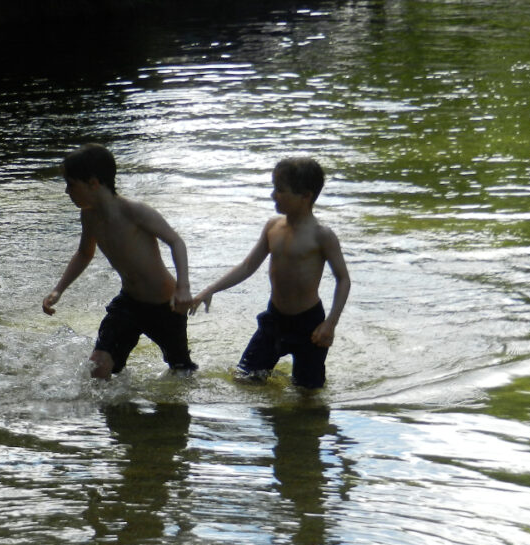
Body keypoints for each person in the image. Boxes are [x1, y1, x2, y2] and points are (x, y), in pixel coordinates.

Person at [190, 157, 350, 390]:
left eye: (280, 190)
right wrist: (210, 289)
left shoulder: (321, 235)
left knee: (308, 393)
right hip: (274, 320)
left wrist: (330, 323)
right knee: (244, 381)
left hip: (310, 325)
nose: (273, 195)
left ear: (305, 196)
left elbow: (343, 279)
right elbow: (247, 266)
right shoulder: (273, 227)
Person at [42, 143, 196, 378]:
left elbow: (176, 242)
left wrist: (183, 288)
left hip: (166, 306)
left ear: (93, 183)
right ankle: (112, 411)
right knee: (98, 365)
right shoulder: (89, 214)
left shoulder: (134, 211)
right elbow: (85, 253)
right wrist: (58, 290)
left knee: (181, 371)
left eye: (71, 185)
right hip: (129, 303)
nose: (67, 192)